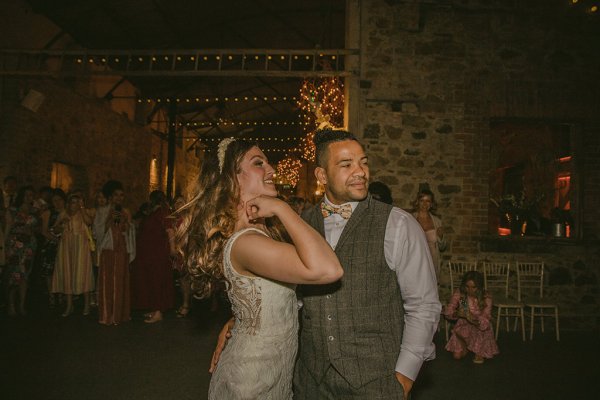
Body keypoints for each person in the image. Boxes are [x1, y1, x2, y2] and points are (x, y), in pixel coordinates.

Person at [213, 129, 441, 399]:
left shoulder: (398, 224)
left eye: (363, 162)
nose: (360, 172)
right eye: (346, 165)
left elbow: (423, 305)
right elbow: (289, 293)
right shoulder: (297, 225)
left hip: (375, 381)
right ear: (321, 176)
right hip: (310, 381)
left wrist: (405, 375)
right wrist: (239, 320)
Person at [177, 138, 343, 399]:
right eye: (258, 163)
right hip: (251, 381)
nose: (272, 170)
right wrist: (283, 208)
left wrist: (240, 319)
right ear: (233, 179)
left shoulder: (260, 234)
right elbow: (328, 270)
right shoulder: (247, 242)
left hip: (273, 373)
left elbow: (267, 297)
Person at [131, 190, 177, 323]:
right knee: (151, 280)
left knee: (158, 280)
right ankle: (154, 309)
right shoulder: (154, 212)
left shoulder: (163, 211)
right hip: (150, 253)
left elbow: (170, 231)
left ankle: (158, 312)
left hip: (157, 253)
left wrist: (172, 249)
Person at [96, 180, 135, 325]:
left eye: (122, 195)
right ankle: (107, 314)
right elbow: (99, 231)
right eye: (116, 195)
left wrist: (127, 226)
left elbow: (130, 231)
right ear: (111, 197)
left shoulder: (126, 212)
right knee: (107, 281)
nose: (119, 198)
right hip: (109, 249)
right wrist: (108, 221)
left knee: (120, 281)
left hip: (121, 249)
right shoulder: (104, 211)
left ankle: (119, 314)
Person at [51, 194, 95, 317]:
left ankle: (86, 306)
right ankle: (69, 306)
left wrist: (82, 208)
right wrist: (61, 225)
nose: (74, 204)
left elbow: (89, 222)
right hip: (66, 247)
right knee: (67, 274)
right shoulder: (64, 214)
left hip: (81, 246)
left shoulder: (83, 213)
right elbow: (54, 229)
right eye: (72, 202)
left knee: (83, 273)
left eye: (77, 202)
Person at [443, 270, 499, 364]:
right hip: (464, 324)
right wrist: (457, 314)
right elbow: (450, 311)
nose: (470, 290)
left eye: (474, 287)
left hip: (480, 327)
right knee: (457, 357)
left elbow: (484, 321)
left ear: (480, 287)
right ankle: (466, 345)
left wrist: (472, 320)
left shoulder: (485, 297)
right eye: (467, 286)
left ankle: (478, 350)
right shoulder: (462, 295)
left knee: (482, 331)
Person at [4, 185, 39, 316]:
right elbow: (8, 226)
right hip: (15, 244)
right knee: (14, 275)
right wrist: (5, 244)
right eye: (27, 194)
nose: (29, 197)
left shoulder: (35, 211)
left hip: (29, 245)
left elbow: (38, 228)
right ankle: (11, 305)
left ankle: (22, 305)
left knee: (25, 275)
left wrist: (32, 231)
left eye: (31, 195)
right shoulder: (13, 210)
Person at [412, 188, 447, 281]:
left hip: (432, 261)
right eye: (422, 200)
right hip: (415, 261)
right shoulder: (410, 219)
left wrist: (440, 236)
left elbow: (443, 247)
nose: (424, 204)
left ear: (431, 204)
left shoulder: (437, 221)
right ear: (417, 202)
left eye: (428, 201)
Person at [40, 189, 67, 307]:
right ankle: (51, 295)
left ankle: (61, 295)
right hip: (51, 244)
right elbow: (44, 231)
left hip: (66, 245)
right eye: (54, 201)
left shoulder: (69, 212)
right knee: (49, 272)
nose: (57, 203)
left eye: (59, 200)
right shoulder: (48, 213)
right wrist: (56, 240)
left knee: (63, 271)